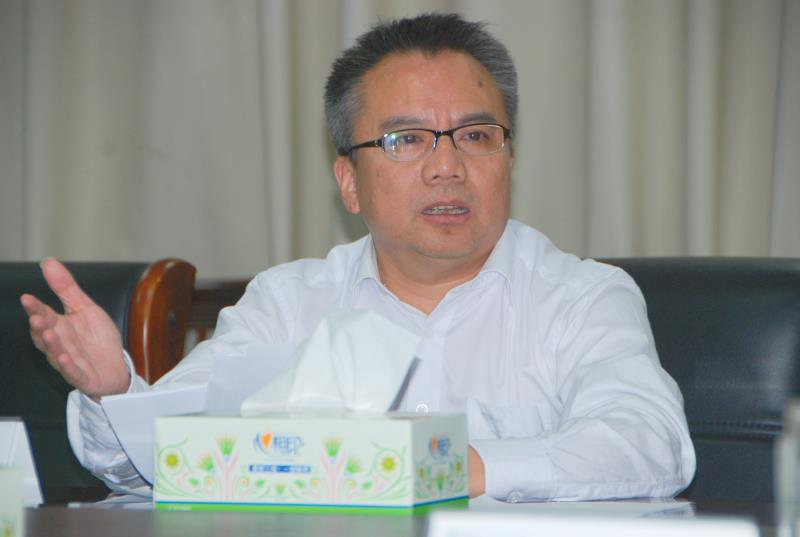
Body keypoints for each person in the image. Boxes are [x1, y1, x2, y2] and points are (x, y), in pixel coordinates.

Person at [20, 13, 695, 501]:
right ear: (348, 181)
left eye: (475, 135)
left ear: (507, 157)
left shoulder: (582, 297)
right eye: (406, 140)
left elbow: (649, 441)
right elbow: (162, 462)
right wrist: (115, 393)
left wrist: (445, 465)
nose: (447, 167)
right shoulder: (288, 304)